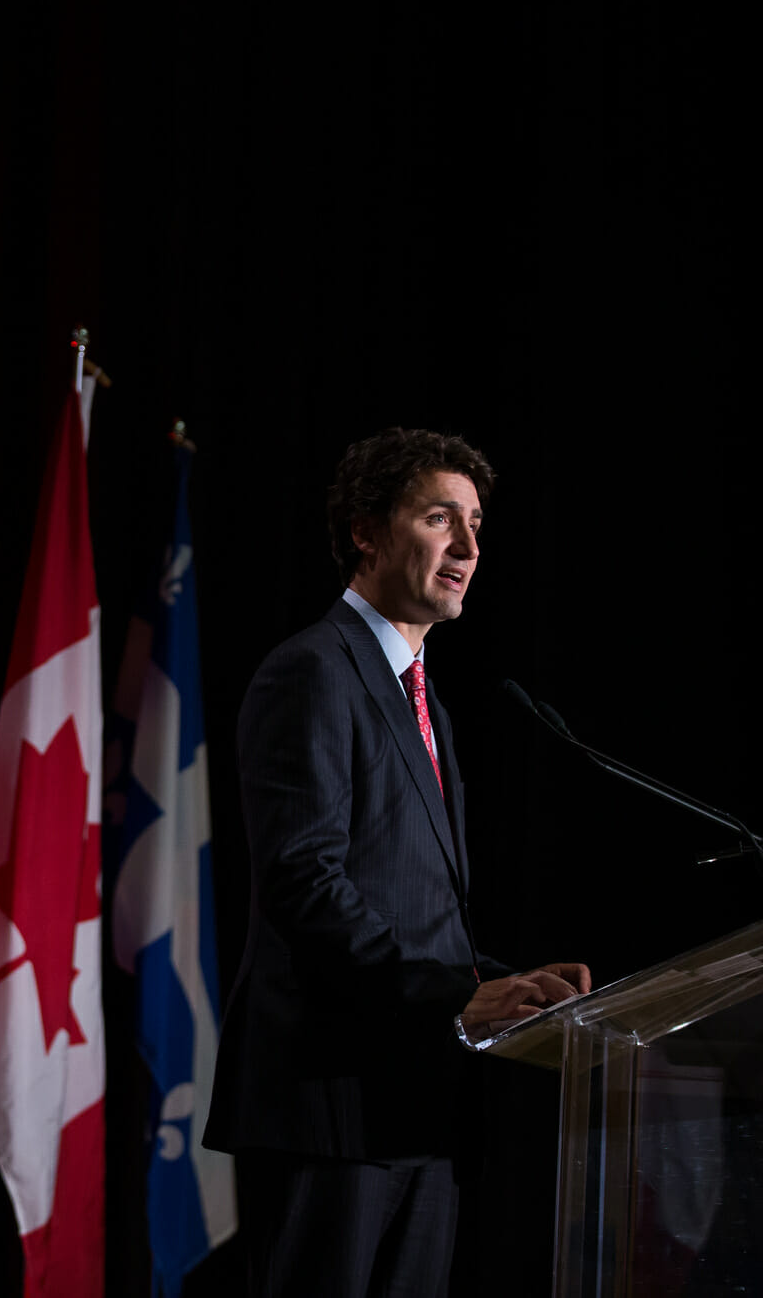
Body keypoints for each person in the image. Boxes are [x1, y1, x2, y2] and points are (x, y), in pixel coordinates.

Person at [200, 427, 589, 1297]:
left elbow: (412, 909)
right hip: (328, 1110)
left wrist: (505, 984)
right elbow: (306, 883)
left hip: (420, 1108)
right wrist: (458, 993)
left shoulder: (430, 707)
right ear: (367, 531)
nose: (469, 547)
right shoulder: (311, 672)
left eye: (477, 524)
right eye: (440, 517)